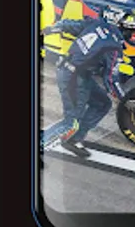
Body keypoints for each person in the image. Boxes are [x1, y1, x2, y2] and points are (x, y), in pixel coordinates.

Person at [41, 9, 130, 157]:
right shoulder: (114, 47)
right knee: (71, 123)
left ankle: (73, 140)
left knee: (102, 104)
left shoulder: (96, 23)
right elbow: (111, 80)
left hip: (74, 72)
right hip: (73, 77)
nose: (134, 34)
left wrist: (50, 29)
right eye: (132, 30)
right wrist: (125, 100)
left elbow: (67, 25)